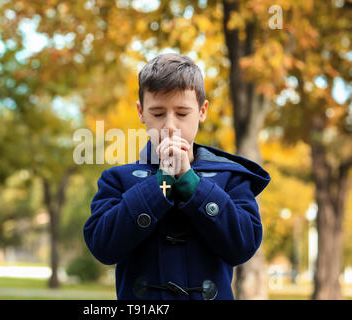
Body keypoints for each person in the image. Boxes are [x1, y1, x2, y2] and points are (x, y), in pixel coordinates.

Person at [83, 53, 271, 300]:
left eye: (182, 113)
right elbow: (103, 247)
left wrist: (192, 184)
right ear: (141, 112)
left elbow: (243, 246)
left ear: (202, 111)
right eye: (158, 114)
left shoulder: (231, 178)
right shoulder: (117, 179)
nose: (170, 126)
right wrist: (162, 182)